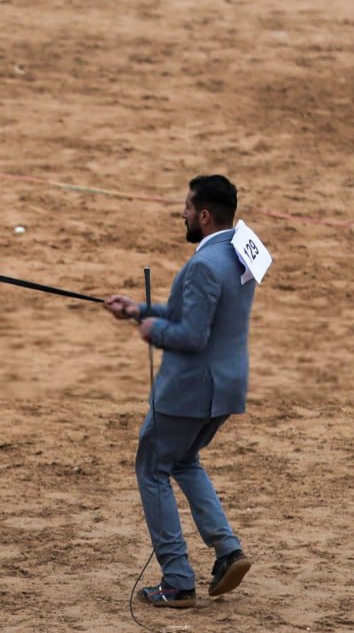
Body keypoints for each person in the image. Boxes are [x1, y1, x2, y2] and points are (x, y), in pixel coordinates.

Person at [105, 174, 255, 609]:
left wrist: (154, 331)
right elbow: (200, 312)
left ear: (205, 216)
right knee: (184, 459)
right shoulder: (236, 255)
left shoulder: (204, 264)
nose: (183, 214)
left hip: (190, 389)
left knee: (152, 466)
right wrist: (140, 310)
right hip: (226, 386)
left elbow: (190, 334)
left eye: (188, 208)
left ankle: (177, 580)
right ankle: (227, 550)